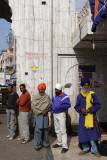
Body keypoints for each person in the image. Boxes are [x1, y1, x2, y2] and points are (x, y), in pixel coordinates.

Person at [75, 77, 101, 158]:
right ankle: (85, 148)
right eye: (85, 85)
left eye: (88, 85)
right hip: (83, 118)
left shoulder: (93, 94)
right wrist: (81, 110)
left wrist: (90, 110)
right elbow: (76, 107)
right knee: (83, 134)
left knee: (92, 135)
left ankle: (95, 150)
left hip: (91, 118)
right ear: (82, 86)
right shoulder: (79, 96)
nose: (87, 87)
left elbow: (98, 105)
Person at [32, 83, 52, 151]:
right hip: (38, 116)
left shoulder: (47, 97)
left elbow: (50, 105)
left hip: (45, 116)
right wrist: (41, 112)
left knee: (46, 131)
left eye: (43, 89)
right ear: (38, 89)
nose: (42, 90)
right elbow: (33, 107)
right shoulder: (35, 97)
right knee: (38, 131)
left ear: (44, 89)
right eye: (40, 89)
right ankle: (37, 145)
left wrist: (47, 110)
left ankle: (46, 144)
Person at [52, 83, 71, 153]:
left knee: (63, 130)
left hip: (61, 114)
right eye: (55, 89)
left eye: (57, 89)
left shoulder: (65, 97)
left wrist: (60, 107)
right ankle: (59, 143)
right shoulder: (55, 97)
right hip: (55, 114)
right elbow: (53, 103)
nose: (55, 90)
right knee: (57, 129)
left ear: (60, 90)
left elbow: (68, 105)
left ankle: (65, 146)